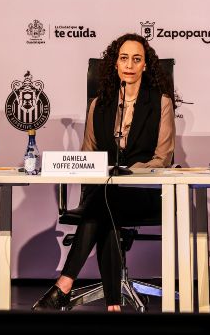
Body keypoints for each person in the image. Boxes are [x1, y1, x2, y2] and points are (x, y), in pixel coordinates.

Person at [33, 33, 175, 311]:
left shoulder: (161, 103)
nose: (130, 65)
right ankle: (114, 304)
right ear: (115, 64)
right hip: (105, 193)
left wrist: (127, 173)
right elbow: (89, 154)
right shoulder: (99, 104)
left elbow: (163, 158)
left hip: (143, 192)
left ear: (146, 65)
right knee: (106, 207)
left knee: (102, 205)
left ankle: (65, 284)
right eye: (124, 58)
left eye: (137, 59)